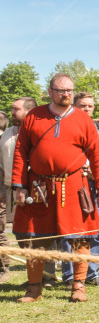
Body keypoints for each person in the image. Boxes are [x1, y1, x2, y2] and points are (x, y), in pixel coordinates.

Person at [11, 74, 99, 303]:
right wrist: (19, 185)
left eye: (69, 91)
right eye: (61, 90)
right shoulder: (34, 116)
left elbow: (97, 157)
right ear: (50, 92)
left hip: (75, 186)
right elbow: (20, 152)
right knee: (36, 238)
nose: (66, 94)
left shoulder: (84, 120)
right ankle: (34, 289)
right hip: (39, 187)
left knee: (80, 238)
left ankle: (78, 286)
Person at [60, 92, 99, 286]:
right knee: (69, 233)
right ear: (75, 106)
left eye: (90, 106)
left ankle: (91, 274)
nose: (87, 109)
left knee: (94, 231)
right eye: (83, 105)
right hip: (71, 186)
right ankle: (69, 276)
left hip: (94, 185)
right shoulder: (65, 126)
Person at [0, 97, 38, 283]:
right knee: (17, 231)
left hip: (32, 190)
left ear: (28, 112)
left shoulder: (37, 132)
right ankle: (29, 270)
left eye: (16, 109)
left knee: (35, 232)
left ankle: (41, 272)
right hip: (8, 189)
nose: (12, 112)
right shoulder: (6, 134)